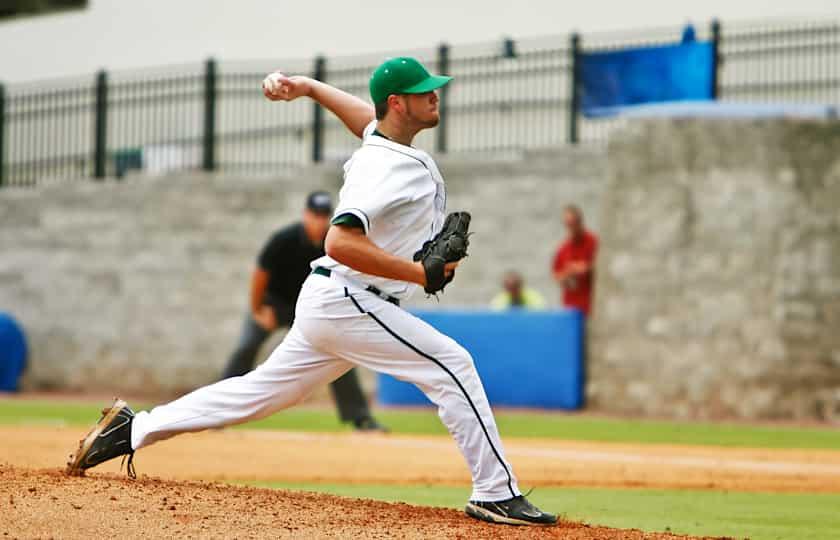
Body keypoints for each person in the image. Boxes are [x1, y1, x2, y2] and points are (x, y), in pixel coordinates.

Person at [66, 57, 557, 527]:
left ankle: (132, 430)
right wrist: (418, 273)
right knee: (453, 365)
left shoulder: (384, 142)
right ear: (399, 103)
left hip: (335, 301)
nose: (434, 95)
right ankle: (495, 492)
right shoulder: (387, 167)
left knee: (255, 394)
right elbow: (339, 241)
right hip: (351, 300)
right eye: (422, 91)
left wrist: (309, 87)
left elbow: (366, 119)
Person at [222, 191, 387, 432]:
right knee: (245, 347)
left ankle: (360, 417)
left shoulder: (334, 244)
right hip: (274, 305)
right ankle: (221, 411)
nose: (319, 222)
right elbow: (260, 274)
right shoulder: (284, 239)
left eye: (324, 216)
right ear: (305, 215)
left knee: (339, 354)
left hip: (311, 309)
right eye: (315, 215)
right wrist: (258, 310)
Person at [552, 205, 598, 316]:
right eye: (568, 224)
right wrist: (568, 273)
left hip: (592, 305)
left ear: (580, 221)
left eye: (573, 223)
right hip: (571, 307)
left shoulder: (594, 242)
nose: (571, 227)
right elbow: (556, 275)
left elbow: (603, 267)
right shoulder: (563, 248)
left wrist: (586, 268)